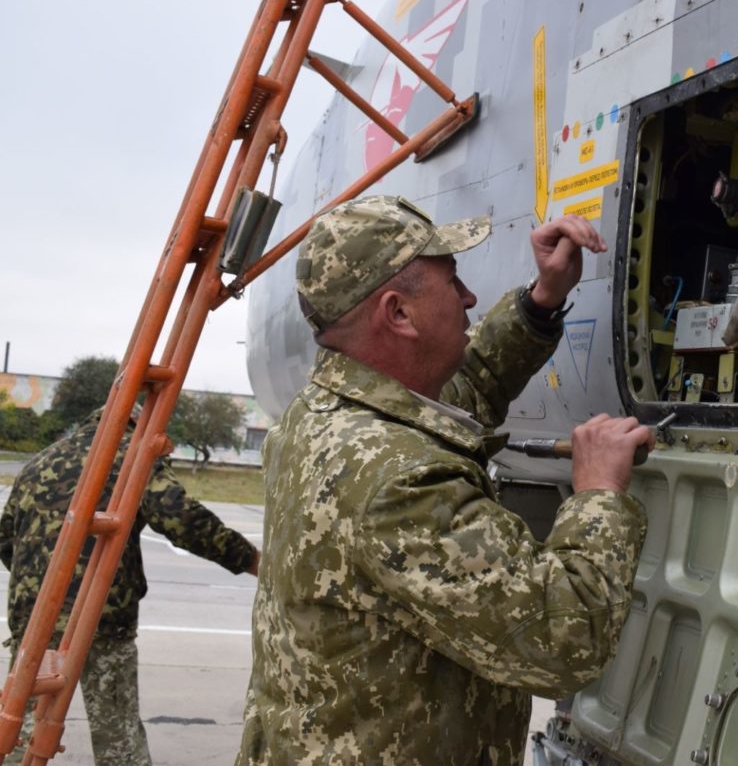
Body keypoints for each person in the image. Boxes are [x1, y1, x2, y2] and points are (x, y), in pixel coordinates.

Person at [237, 196, 655, 765]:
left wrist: (541, 301)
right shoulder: (400, 481)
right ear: (399, 314)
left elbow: (467, 389)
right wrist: (599, 495)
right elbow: (563, 639)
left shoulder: (326, 415)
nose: (469, 298)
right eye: (452, 281)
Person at [0, 408, 260, 766]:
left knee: (18, 731)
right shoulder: (131, 455)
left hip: (34, 619)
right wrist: (251, 560)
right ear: (139, 426)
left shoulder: (40, 462)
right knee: (117, 737)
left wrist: (42, 592)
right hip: (100, 620)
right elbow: (181, 517)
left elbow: (6, 540)